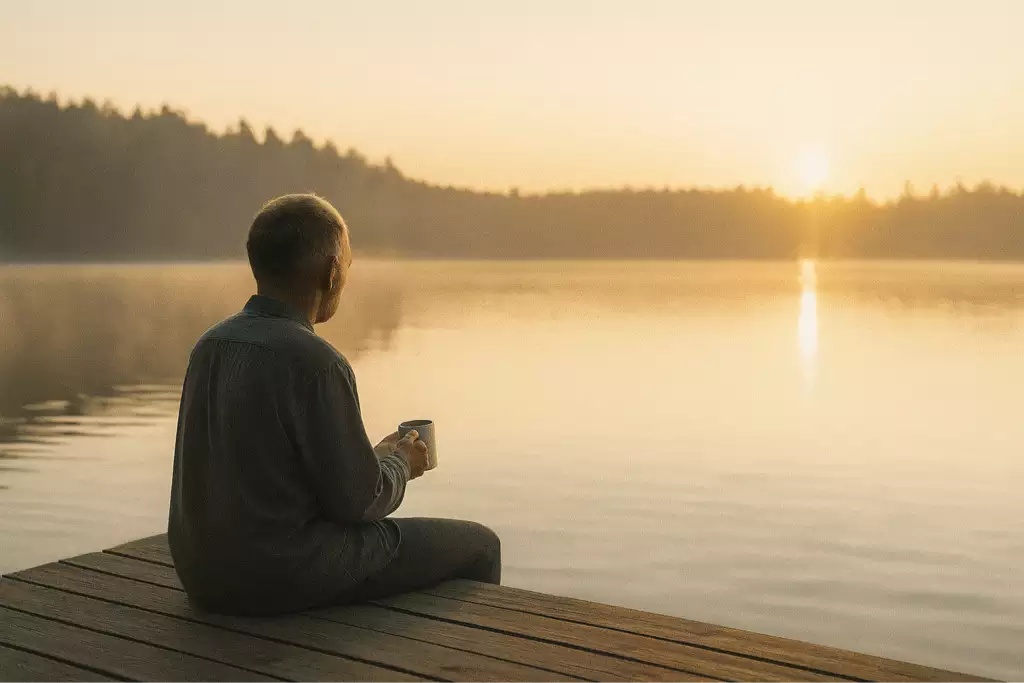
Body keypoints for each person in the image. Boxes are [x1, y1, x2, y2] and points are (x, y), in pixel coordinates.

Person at [168, 194, 500, 616]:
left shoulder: (211, 345)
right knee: (481, 545)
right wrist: (403, 466)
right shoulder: (315, 362)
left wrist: (378, 456)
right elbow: (359, 505)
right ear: (330, 271)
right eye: (346, 265)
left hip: (203, 574)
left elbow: (273, 478)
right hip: (277, 575)